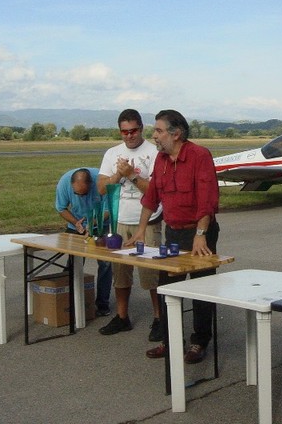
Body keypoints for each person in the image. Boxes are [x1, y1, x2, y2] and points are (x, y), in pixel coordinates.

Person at [126, 109, 220, 364]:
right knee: (167, 287)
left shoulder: (200, 156)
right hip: (174, 232)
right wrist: (141, 229)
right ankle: (170, 342)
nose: (154, 136)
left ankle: (199, 342)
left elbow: (207, 201)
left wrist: (201, 235)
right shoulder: (161, 160)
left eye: (159, 131)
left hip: (200, 230)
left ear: (176, 134)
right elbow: (151, 197)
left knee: (201, 289)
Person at [97, 109, 163, 341]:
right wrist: (118, 174)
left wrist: (133, 175)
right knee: (120, 272)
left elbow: (156, 191)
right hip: (120, 219)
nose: (129, 136)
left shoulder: (155, 152)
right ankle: (121, 316)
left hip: (148, 219)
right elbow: (102, 188)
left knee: (151, 273)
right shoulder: (112, 153)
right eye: (124, 132)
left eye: (133, 130)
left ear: (141, 128)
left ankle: (159, 318)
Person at [55, 167, 112, 316]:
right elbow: (61, 208)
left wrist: (92, 223)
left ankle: (102, 304)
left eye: (84, 193)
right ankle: (68, 302)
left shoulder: (103, 181)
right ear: (71, 185)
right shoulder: (63, 183)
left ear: (91, 184)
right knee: (74, 261)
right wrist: (76, 223)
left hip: (101, 224)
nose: (80, 197)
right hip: (78, 223)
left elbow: (109, 210)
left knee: (105, 263)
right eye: (76, 194)